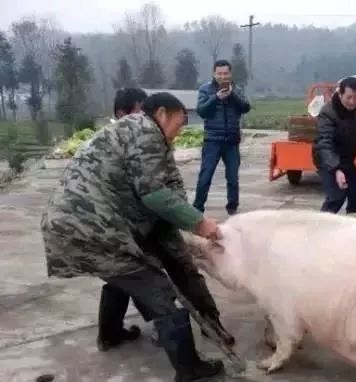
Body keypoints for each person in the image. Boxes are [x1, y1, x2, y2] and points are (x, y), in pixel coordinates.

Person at [41, 92, 230, 381]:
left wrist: (180, 218)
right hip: (91, 225)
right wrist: (199, 223)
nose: (179, 133)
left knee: (120, 275)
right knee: (156, 288)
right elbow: (154, 194)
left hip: (79, 221)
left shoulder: (143, 133)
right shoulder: (145, 133)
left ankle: (111, 334)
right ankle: (190, 368)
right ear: (163, 114)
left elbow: (168, 183)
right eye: (179, 125)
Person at [193, 59, 251, 215]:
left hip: (232, 142)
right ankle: (197, 209)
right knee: (205, 176)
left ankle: (232, 208)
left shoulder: (237, 89)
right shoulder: (205, 89)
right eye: (219, 73)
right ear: (214, 73)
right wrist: (216, 98)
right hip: (212, 141)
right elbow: (202, 111)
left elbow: (246, 107)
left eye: (226, 73)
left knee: (233, 178)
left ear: (230, 74)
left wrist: (232, 96)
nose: (223, 77)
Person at [312, 76, 356, 214]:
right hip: (327, 159)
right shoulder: (328, 113)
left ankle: (352, 228)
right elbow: (324, 144)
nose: (352, 102)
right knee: (337, 196)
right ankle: (320, 228)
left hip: (346, 158)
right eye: (349, 97)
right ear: (340, 94)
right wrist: (336, 169)